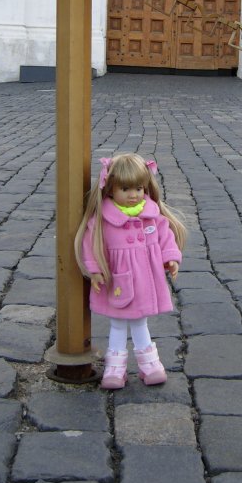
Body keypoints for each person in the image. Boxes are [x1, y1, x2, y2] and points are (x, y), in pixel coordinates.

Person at [75, 153, 186, 389]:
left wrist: (171, 258)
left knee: (139, 322)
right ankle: (115, 367)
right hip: (117, 279)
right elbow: (91, 244)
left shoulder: (151, 214)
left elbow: (165, 237)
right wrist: (94, 270)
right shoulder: (103, 219)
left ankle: (150, 365)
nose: (133, 194)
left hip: (144, 278)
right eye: (125, 188)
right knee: (117, 323)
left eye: (138, 187)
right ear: (110, 189)